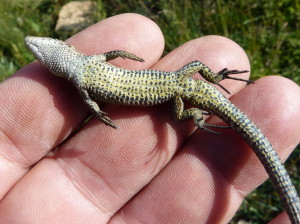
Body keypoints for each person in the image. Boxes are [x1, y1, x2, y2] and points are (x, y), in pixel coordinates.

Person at [0, 13, 299, 223]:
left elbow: (91, 104)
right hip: (182, 82)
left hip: (179, 94)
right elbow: (108, 62)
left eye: (44, 50)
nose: (36, 46)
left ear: (60, 60)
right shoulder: (86, 60)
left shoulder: (79, 80)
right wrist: (117, 60)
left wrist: (98, 112)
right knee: (193, 83)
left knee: (179, 112)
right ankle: (209, 89)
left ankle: (194, 113)